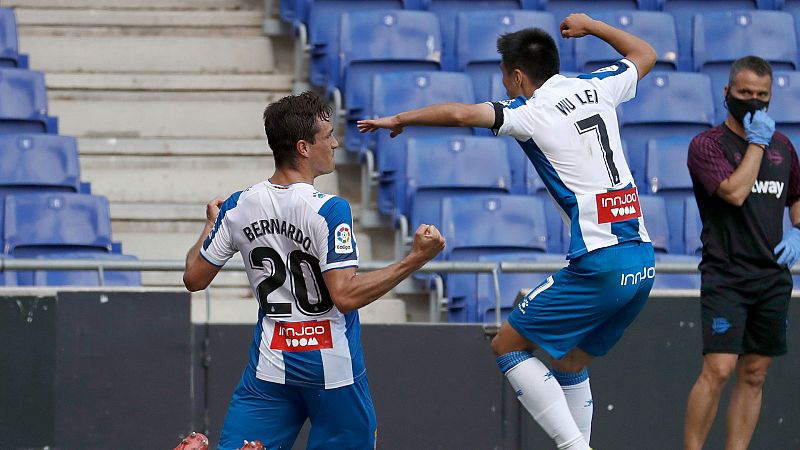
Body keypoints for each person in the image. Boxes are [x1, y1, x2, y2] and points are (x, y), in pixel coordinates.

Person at [359, 13, 656, 450]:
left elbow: (461, 114)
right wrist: (592, 26)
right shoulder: (598, 86)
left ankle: (576, 448)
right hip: (642, 262)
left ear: (518, 76)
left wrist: (400, 118)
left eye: (503, 77)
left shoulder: (529, 112)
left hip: (599, 261)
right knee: (569, 359)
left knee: (507, 345)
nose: (503, 86)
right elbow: (644, 53)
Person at [182, 91, 445, 450]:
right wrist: (415, 258)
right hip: (332, 370)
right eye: (328, 136)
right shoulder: (329, 209)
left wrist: (209, 227)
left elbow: (194, 278)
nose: (335, 143)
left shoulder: (237, 205)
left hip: (270, 365)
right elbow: (345, 295)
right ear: (304, 147)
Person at [684, 56, 800, 450]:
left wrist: (798, 233)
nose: (753, 101)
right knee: (718, 369)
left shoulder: (784, 147)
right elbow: (734, 192)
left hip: (772, 277)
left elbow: (797, 201)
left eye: (762, 95)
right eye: (745, 93)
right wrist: (757, 144)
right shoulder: (706, 145)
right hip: (726, 273)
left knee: (754, 373)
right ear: (726, 93)